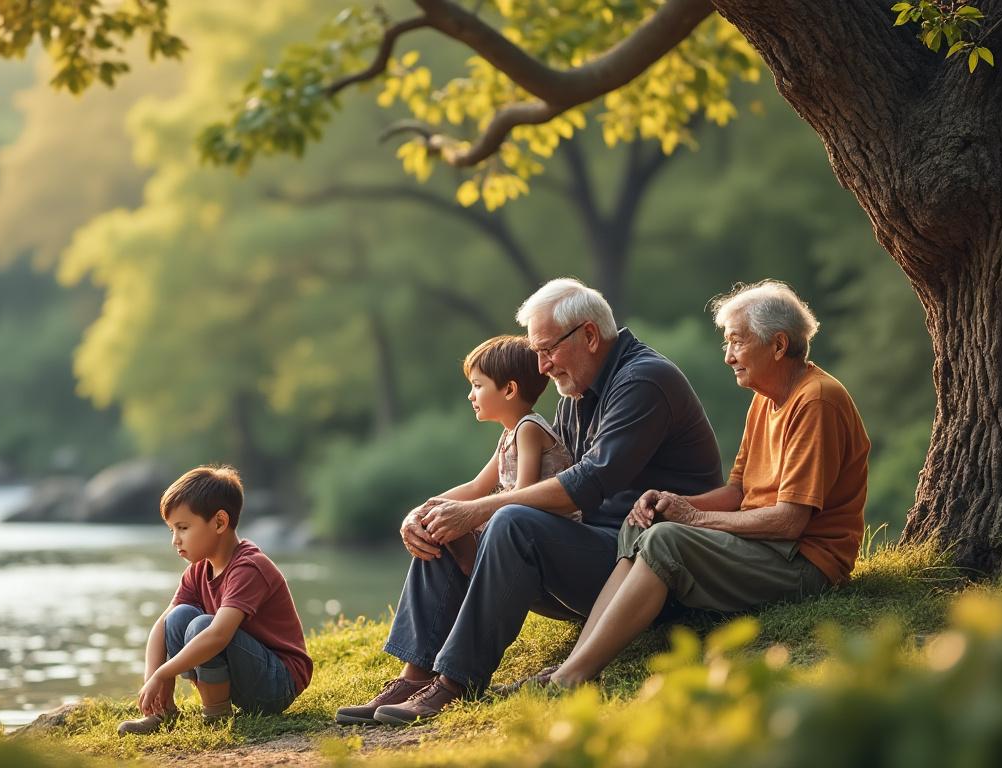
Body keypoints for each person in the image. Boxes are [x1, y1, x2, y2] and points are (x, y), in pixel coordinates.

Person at [335, 277, 721, 726]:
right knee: (442, 524)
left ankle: (455, 683)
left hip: (649, 571)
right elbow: (500, 483)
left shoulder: (644, 381)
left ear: (590, 336)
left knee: (510, 521)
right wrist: (424, 513)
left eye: (547, 350)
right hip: (599, 554)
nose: (540, 366)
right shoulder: (577, 392)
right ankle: (415, 674)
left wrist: (480, 510)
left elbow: (589, 481)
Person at [512, 280, 869, 691]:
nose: (729, 356)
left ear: (777, 345)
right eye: (726, 344)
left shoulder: (816, 400)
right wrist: (673, 502)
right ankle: (570, 666)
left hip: (805, 562)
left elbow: (790, 521)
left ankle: (573, 677)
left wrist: (695, 518)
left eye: (737, 342)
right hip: (766, 546)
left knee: (665, 541)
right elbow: (739, 491)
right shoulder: (766, 399)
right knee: (645, 523)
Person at [119, 466, 313, 735]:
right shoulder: (198, 570)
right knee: (177, 619)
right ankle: (162, 712)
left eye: (183, 528)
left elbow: (219, 635)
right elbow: (160, 628)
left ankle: (216, 715)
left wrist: (163, 673)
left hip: (277, 683)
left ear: (220, 522)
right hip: (244, 675)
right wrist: (153, 677)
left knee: (203, 627)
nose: (175, 540)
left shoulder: (249, 567)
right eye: (172, 530)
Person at [433, 335, 574, 576]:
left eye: (477, 386)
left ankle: (478, 582)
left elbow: (522, 493)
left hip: (547, 533)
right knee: (436, 526)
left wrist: (465, 517)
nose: (471, 395)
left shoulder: (528, 428)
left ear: (509, 389)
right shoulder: (510, 434)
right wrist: (428, 508)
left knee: (448, 531)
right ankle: (471, 583)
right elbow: (477, 486)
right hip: (516, 520)